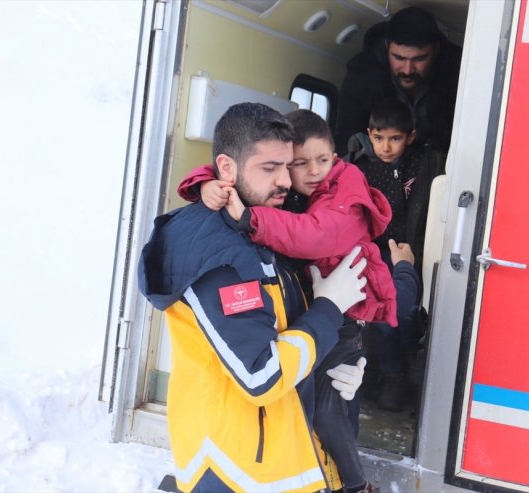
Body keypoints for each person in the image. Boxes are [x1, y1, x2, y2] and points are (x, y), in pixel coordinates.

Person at [178, 109, 420, 493]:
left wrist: (251, 219)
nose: (301, 174)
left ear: (337, 157)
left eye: (320, 161)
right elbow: (262, 374)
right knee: (329, 404)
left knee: (335, 403)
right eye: (291, 165)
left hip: (343, 323)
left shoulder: (338, 195)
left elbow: (314, 237)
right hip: (235, 468)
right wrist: (203, 184)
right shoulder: (222, 246)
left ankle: (351, 483)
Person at [137, 102, 370, 493]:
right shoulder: (219, 258)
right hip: (236, 474)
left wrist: (337, 366)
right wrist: (329, 311)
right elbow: (262, 374)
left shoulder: (258, 224)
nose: (284, 181)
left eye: (287, 165)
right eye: (269, 168)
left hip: (277, 464)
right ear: (226, 168)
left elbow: (283, 329)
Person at [347, 98, 446, 411]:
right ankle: (385, 374)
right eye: (378, 138)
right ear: (368, 134)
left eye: (395, 138)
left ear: (411, 136)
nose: (386, 147)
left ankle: (397, 374)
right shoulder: (362, 168)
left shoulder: (427, 164)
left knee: (399, 313)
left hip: (412, 253)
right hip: (373, 253)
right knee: (378, 314)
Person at [333, 6, 461, 156]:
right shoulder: (362, 74)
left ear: (436, 50)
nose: (408, 70)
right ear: (387, 47)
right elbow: (345, 138)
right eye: (399, 58)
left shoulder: (458, 73)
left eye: (420, 59)